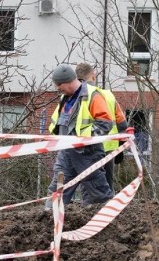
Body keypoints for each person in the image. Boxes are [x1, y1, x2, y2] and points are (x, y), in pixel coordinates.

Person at [46, 64, 115, 205]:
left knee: (98, 193)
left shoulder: (92, 95)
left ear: (70, 80)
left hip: (88, 153)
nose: (58, 88)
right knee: (57, 190)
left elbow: (105, 123)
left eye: (60, 84)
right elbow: (58, 123)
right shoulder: (64, 98)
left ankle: (107, 222)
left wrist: (86, 140)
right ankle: (50, 222)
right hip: (66, 152)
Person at [75, 62, 128, 190]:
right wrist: (121, 145)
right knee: (107, 186)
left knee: (88, 186)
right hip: (108, 148)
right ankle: (108, 207)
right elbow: (122, 124)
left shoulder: (73, 97)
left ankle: (89, 208)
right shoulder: (107, 95)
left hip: (83, 149)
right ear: (93, 76)